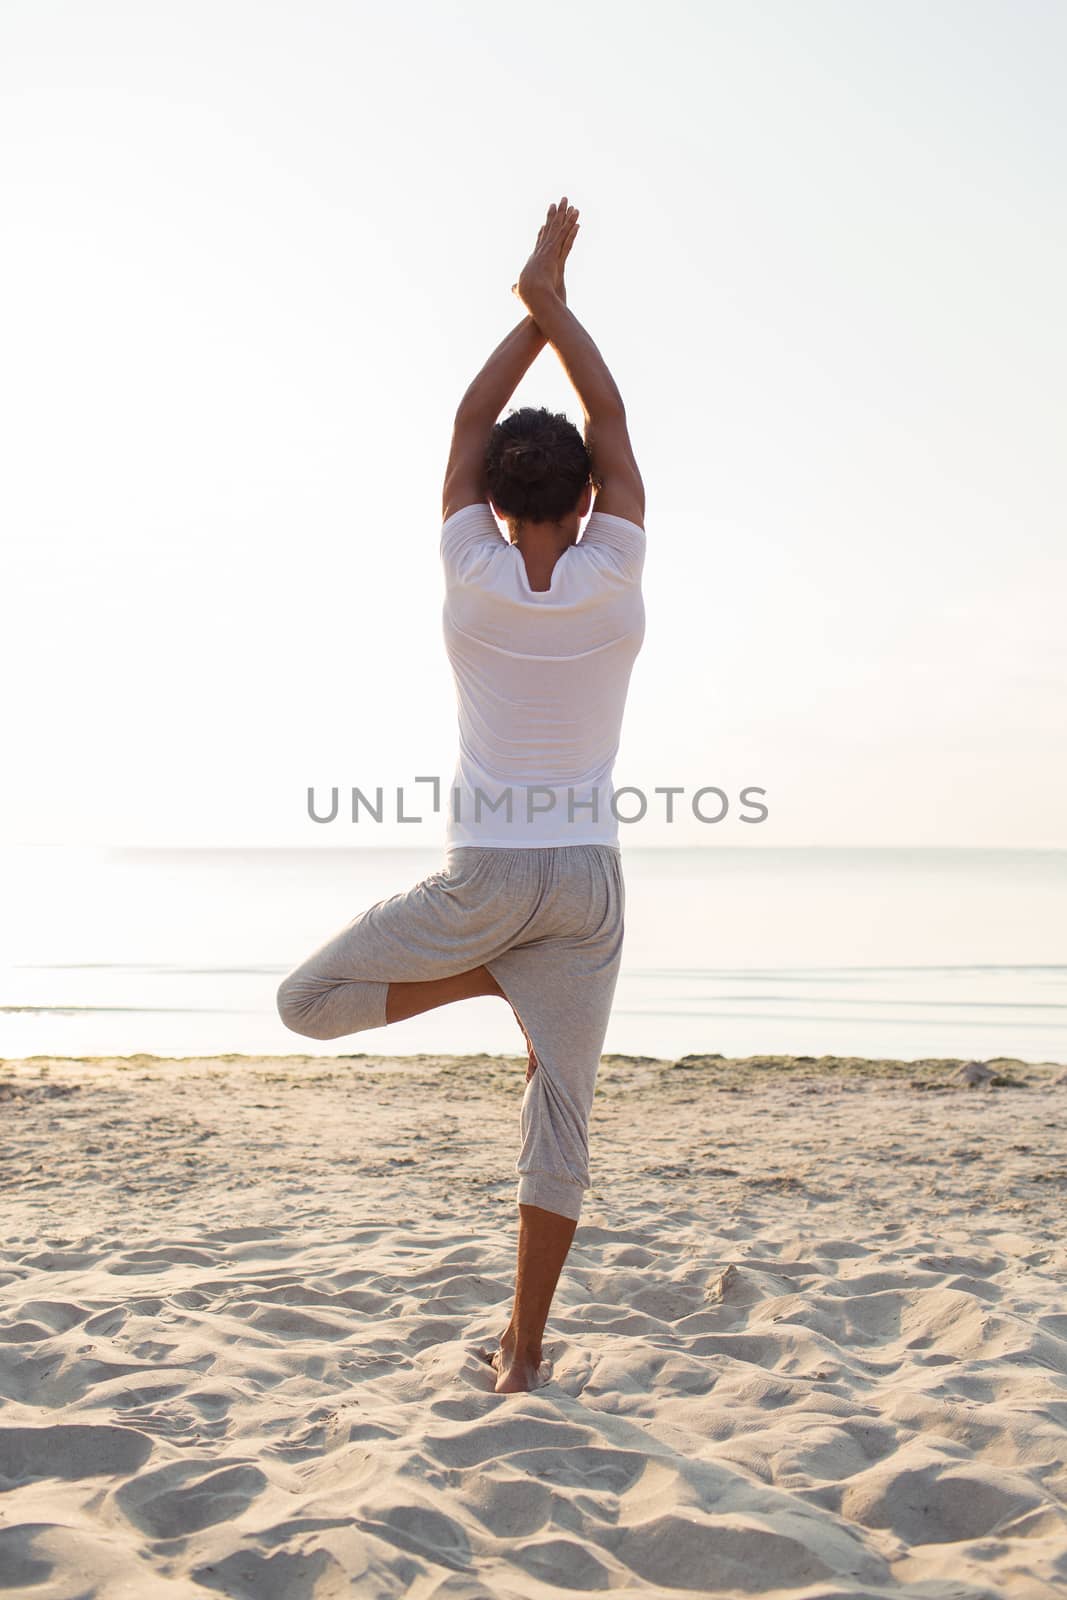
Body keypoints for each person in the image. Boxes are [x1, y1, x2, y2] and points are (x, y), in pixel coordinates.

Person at [277, 196, 646, 1393]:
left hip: (485, 878)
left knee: (307, 1002)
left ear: (491, 500)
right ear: (586, 500)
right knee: (562, 1126)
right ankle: (523, 1351)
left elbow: (471, 416)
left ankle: (492, 974)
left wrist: (527, 307)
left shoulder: (469, 568)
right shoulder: (615, 568)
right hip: (585, 885)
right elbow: (612, 416)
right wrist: (553, 301)